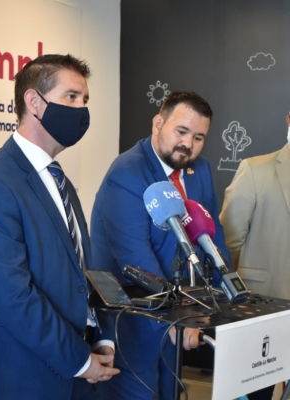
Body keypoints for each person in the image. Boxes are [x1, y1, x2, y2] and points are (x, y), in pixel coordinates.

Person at [0, 54, 119, 400]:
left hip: (78, 370)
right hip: (22, 376)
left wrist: (102, 335)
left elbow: (83, 270)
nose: (81, 110)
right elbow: (13, 296)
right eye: (71, 97)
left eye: (85, 100)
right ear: (34, 101)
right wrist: (78, 360)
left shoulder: (58, 178)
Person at [91, 92, 230, 399]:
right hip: (134, 323)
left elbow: (212, 236)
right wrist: (181, 319)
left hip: (176, 317)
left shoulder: (200, 170)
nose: (188, 144)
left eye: (198, 137)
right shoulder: (126, 173)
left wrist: (229, 294)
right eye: (181, 132)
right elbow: (136, 260)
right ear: (158, 124)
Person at [219, 112, 290, 400]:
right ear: (288, 119)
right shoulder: (255, 168)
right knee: (254, 392)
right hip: (262, 306)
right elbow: (231, 242)